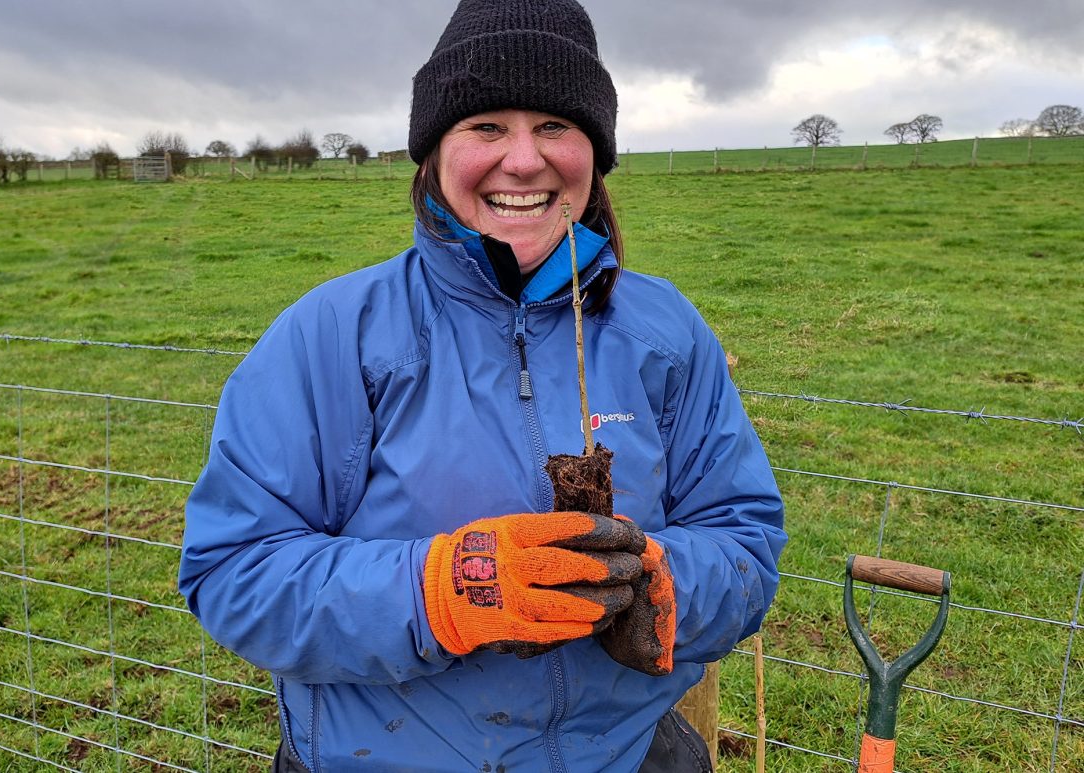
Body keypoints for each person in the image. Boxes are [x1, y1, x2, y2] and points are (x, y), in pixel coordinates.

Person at [178, 1, 787, 771]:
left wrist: (664, 587)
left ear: (595, 152)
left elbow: (746, 539)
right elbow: (232, 569)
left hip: (630, 756)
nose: (525, 161)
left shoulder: (664, 332)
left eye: (556, 126)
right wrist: (440, 592)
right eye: (488, 126)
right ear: (434, 151)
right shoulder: (333, 333)